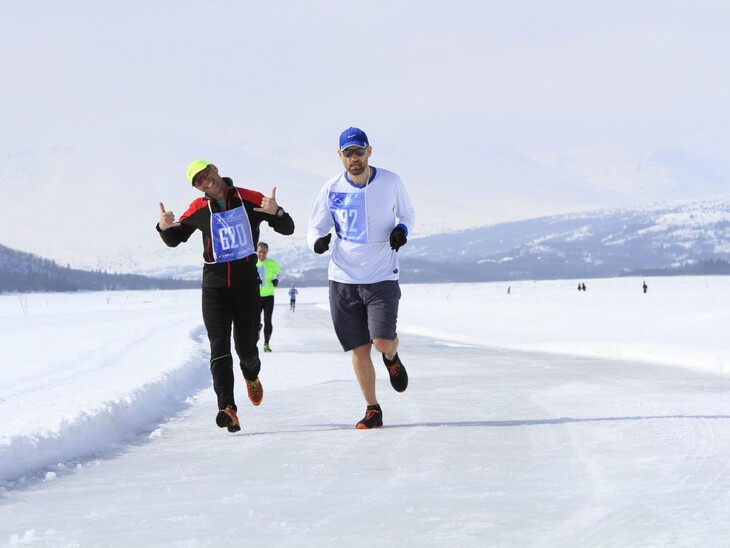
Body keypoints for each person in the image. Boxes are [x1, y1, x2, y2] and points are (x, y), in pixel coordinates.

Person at [157, 160, 295, 433]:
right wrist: (163, 228)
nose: (204, 182)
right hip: (214, 288)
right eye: (197, 181)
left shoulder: (248, 198)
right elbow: (175, 239)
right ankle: (227, 408)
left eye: (205, 175)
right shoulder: (199, 209)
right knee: (218, 346)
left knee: (245, 348)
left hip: (246, 287)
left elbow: (287, 228)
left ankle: (251, 373)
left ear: (215, 169)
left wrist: (277, 212)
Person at [306, 127, 416, 430]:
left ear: (369, 151)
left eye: (359, 151)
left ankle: (392, 356)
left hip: (381, 275)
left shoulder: (391, 182)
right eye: (348, 153)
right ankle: (372, 409)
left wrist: (401, 231)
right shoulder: (331, 188)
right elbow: (315, 227)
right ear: (340, 156)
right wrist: (317, 242)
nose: (354, 158)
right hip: (343, 278)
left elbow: (408, 215)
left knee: (381, 342)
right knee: (360, 349)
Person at [256, 242, 280, 352]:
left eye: (264, 252)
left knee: (267, 320)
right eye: (260, 252)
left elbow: (280, 274)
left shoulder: (271, 263)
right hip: (255, 296)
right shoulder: (253, 263)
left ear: (267, 252)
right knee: (255, 321)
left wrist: (277, 281)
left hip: (269, 296)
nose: (262, 254)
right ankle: (257, 331)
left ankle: (266, 344)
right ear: (256, 251)